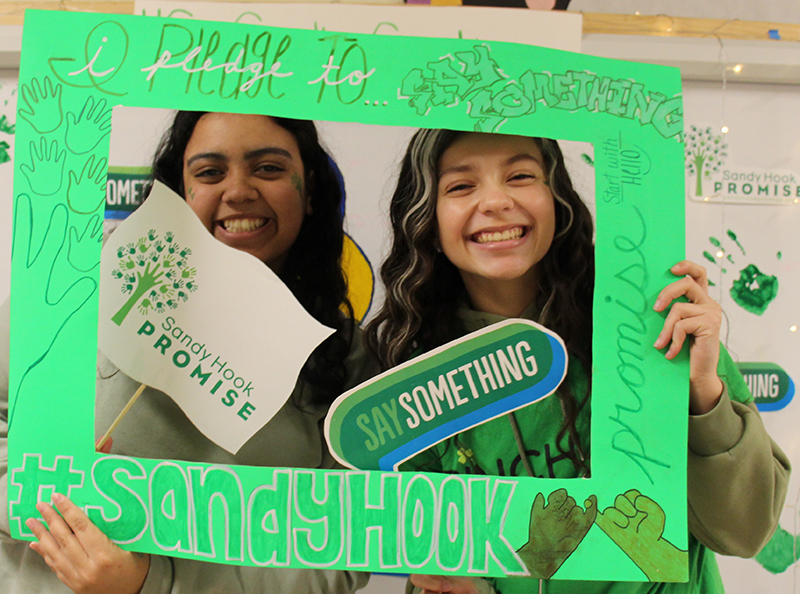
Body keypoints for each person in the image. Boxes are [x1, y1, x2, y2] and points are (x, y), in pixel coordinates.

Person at [364, 129, 790, 594]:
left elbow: (745, 532)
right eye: (461, 186)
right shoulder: (410, 374)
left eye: (520, 175)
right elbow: (435, 562)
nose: (495, 201)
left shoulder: (647, 323)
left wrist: (702, 392)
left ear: (557, 197)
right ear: (426, 218)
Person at [0, 112, 378, 594]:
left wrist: (151, 583)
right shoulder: (81, 287)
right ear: (180, 192)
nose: (238, 191)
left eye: (268, 168)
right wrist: (43, 498)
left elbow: (338, 558)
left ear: (309, 195)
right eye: (209, 172)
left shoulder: (347, 358)